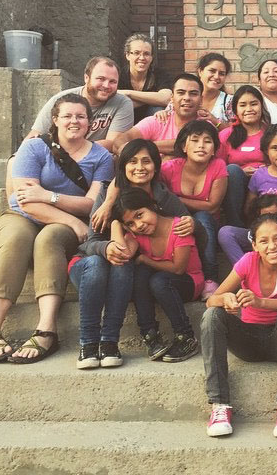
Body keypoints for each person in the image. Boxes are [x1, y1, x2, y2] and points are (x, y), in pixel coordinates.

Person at [0, 94, 114, 364]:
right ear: (55, 120)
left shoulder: (101, 156)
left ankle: (46, 329)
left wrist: (48, 196)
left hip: (61, 225)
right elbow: (26, 201)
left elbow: (92, 203)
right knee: (17, 238)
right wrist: (72, 220)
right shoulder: (34, 148)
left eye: (80, 116)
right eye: (67, 116)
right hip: (21, 217)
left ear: (90, 122)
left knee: (49, 238)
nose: (74, 121)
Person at [70, 139, 195, 368]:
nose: (139, 167)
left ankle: (109, 342)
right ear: (123, 166)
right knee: (100, 263)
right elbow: (91, 242)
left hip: (126, 273)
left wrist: (191, 223)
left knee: (125, 261)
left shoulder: (162, 197)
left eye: (146, 161)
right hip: (91, 269)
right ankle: (88, 343)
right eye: (132, 161)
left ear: (156, 166)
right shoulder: (107, 194)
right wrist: (106, 246)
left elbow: (189, 226)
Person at [201, 213, 277, 438]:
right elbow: (211, 300)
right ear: (255, 245)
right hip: (247, 342)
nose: (272, 246)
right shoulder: (248, 261)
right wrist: (226, 299)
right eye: (264, 241)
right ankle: (219, 405)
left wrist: (260, 302)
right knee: (212, 315)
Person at [112, 188, 203, 363]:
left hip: (189, 282)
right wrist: (116, 225)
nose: (139, 225)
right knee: (141, 274)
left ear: (152, 206)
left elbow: (178, 269)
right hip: (161, 285)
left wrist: (145, 259)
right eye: (130, 223)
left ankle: (186, 337)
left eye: (140, 215)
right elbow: (124, 253)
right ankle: (150, 335)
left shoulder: (179, 227)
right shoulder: (138, 234)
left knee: (156, 279)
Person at [161, 120, 228, 298]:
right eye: (195, 140)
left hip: (207, 223)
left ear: (214, 149)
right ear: (184, 146)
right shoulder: (169, 168)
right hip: (175, 220)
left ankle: (210, 279)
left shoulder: (218, 165)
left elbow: (212, 206)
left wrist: (176, 199)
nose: (201, 146)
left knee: (203, 217)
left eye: (207, 141)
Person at [27, 57, 134, 153]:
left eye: (113, 81)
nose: (106, 85)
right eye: (101, 79)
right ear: (86, 78)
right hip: (57, 156)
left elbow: (113, 143)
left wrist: (77, 150)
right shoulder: (61, 100)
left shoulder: (122, 103)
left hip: (96, 158)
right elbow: (34, 136)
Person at [113, 73, 204, 159]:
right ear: (172, 98)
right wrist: (126, 150)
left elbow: (186, 144)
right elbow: (121, 140)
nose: (187, 98)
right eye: (181, 92)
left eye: (193, 94)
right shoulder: (160, 120)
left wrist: (142, 147)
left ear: (201, 99)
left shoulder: (206, 123)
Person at [217, 85, 271, 227]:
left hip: (267, 183)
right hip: (236, 184)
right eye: (242, 105)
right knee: (232, 170)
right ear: (235, 110)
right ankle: (236, 225)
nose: (249, 109)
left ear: (261, 106)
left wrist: (266, 170)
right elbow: (217, 167)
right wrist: (241, 172)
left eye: (253, 104)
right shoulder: (226, 135)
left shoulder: (272, 133)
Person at [218, 194, 277, 266]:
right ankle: (246, 272)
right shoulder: (255, 233)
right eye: (267, 216)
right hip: (263, 267)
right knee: (225, 232)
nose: (273, 220)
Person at [116, 33, 171, 124]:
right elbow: (115, 105)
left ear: (151, 57)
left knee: (158, 109)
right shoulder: (118, 76)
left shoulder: (159, 74)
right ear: (127, 55)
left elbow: (167, 98)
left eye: (146, 54)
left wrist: (128, 93)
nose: (142, 58)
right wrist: (153, 99)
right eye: (136, 53)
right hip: (123, 123)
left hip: (151, 123)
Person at [196, 52, 235, 131]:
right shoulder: (187, 97)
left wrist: (214, 121)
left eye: (221, 73)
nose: (217, 76)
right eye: (212, 71)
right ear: (200, 71)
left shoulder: (230, 102)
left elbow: (235, 133)